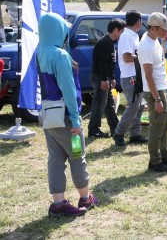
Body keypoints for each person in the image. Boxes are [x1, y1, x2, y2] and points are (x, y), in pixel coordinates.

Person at [37, 12, 99, 217]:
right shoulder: (60, 55)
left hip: (48, 115)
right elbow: (69, 91)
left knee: (55, 158)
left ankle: (58, 203)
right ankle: (85, 197)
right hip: (66, 118)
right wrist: (75, 119)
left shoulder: (41, 51)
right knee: (76, 156)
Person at [139, 12, 167, 173]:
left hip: (161, 88)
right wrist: (157, 99)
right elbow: (148, 76)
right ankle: (154, 161)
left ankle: (164, 155)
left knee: (166, 123)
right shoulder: (146, 45)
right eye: (163, 29)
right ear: (154, 28)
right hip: (154, 91)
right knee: (156, 127)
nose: (166, 32)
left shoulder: (155, 40)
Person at [113, 10, 148, 146]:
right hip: (130, 77)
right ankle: (119, 132)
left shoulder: (132, 35)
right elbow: (127, 57)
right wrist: (142, 56)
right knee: (133, 106)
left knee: (140, 106)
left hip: (135, 75)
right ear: (138, 22)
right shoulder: (127, 36)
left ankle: (135, 134)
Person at [87, 18, 125, 138]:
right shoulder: (104, 42)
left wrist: (112, 77)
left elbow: (110, 63)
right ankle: (93, 130)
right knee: (99, 103)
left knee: (109, 104)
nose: (122, 34)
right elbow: (101, 63)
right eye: (122, 31)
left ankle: (115, 128)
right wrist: (104, 79)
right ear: (115, 30)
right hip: (99, 77)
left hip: (106, 77)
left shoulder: (111, 42)